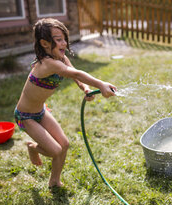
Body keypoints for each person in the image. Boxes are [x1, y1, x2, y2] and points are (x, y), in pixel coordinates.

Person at [14, 18, 116, 188]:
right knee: (55, 150)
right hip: (25, 116)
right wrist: (100, 84)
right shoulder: (48, 64)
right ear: (45, 44)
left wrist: (85, 89)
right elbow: (76, 73)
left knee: (65, 144)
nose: (64, 43)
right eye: (59, 39)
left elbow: (75, 74)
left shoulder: (60, 60)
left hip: (40, 111)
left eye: (64, 38)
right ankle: (32, 147)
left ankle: (54, 180)